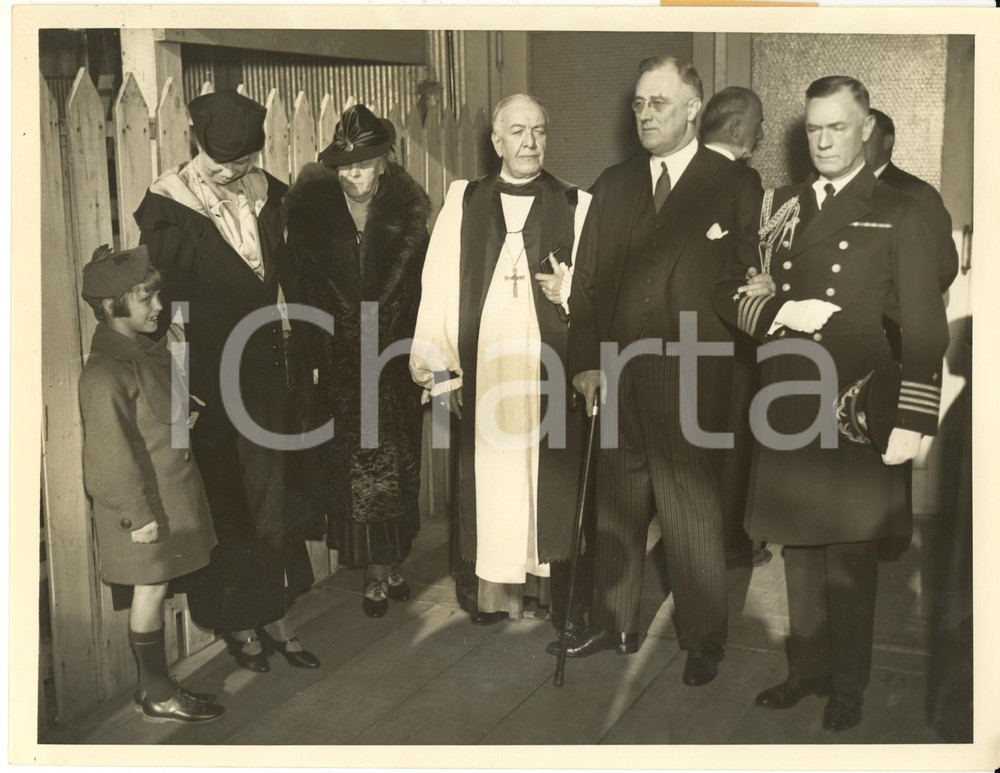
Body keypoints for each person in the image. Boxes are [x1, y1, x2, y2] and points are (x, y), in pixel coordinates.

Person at [711, 76, 948, 732]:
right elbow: (728, 288)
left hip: (851, 403)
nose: (822, 140)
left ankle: (849, 682)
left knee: (849, 555)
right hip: (787, 398)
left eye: (837, 127)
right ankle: (807, 669)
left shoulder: (898, 206)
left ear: (866, 127)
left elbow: (927, 324)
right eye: (814, 128)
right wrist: (782, 307)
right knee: (799, 548)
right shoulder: (779, 203)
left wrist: (914, 415)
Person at [560, 56, 763, 687]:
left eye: (659, 103)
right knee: (617, 504)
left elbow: (746, 281)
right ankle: (614, 619)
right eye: (639, 104)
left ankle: (704, 636)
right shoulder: (614, 183)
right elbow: (586, 286)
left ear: (693, 109)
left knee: (690, 511)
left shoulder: (732, 185)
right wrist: (587, 364)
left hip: (695, 372)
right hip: (617, 370)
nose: (645, 114)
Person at [134, 90, 320, 673]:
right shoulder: (169, 204)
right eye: (222, 166)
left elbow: (290, 278)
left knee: (273, 493)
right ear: (194, 142)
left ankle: (277, 616)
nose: (233, 175)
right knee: (228, 499)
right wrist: (181, 379)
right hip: (208, 374)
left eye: (242, 165)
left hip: (265, 364)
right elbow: (167, 306)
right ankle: (240, 622)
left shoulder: (269, 195)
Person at [409, 94, 593, 635]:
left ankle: (550, 591)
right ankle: (496, 592)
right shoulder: (464, 201)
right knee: (493, 477)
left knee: (547, 479)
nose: (530, 142)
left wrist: (570, 293)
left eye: (538, 130)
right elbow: (439, 283)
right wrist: (440, 365)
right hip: (486, 364)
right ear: (496, 142)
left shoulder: (575, 203)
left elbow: (593, 289)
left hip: (547, 365)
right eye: (517, 132)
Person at [285, 105, 430, 618]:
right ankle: (373, 570)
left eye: (364, 165)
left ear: (384, 164)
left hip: (396, 363)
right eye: (345, 167)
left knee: (397, 465)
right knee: (358, 471)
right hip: (342, 364)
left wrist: (420, 354)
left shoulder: (410, 217)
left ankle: (392, 561)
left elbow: (422, 295)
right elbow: (300, 293)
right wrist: (318, 354)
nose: (354, 176)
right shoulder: (310, 219)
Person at [78, 244, 223, 724]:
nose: (158, 307)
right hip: (144, 507)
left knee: (156, 590)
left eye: (157, 297)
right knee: (150, 592)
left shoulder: (143, 353)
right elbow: (108, 456)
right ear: (113, 305)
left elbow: (161, 414)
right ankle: (157, 693)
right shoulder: (104, 372)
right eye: (146, 299)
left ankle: (155, 689)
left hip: (170, 498)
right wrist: (135, 517)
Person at [699, 85, 772, 570]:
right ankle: (728, 543)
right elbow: (751, 261)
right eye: (759, 125)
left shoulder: (673, 172)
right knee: (732, 444)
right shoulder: (744, 181)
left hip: (666, 339)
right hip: (726, 337)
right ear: (739, 128)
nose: (762, 135)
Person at [863, 108, 959, 293]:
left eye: (865, 136)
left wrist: (889, 315)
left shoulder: (918, 194)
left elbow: (942, 269)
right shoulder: (830, 189)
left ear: (887, 141)